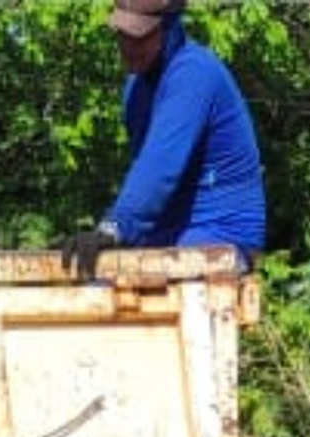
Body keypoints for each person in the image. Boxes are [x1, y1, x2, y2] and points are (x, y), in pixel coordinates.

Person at [60, 0, 265, 276]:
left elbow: (159, 169)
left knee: (124, 292)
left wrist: (114, 227)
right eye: (122, 34)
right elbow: (144, 175)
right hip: (167, 233)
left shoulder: (194, 73)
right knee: (83, 284)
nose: (128, 46)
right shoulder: (137, 87)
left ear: (169, 29)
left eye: (140, 36)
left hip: (222, 235)